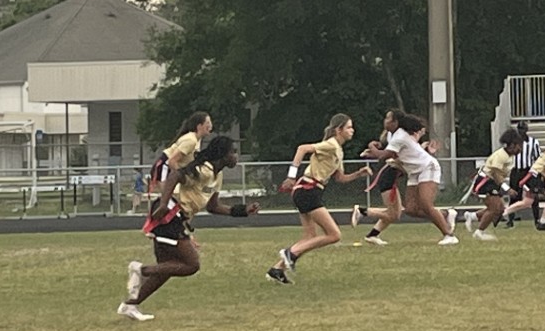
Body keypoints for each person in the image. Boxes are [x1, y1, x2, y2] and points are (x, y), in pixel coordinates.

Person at [118, 136, 255, 319]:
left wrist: (242, 211)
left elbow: (213, 206)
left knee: (166, 269)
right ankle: (141, 270)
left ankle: (130, 306)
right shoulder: (203, 169)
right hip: (169, 214)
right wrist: (164, 204)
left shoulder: (217, 175)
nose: (236, 156)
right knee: (191, 265)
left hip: (178, 217)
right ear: (223, 154)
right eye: (233, 152)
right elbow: (175, 175)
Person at [269, 114, 372, 283]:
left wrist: (359, 174)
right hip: (307, 190)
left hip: (309, 191)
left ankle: (277, 269)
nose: (352, 130)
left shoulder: (338, 150)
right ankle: (289, 254)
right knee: (334, 235)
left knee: (310, 237)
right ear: (339, 130)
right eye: (349, 127)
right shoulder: (331, 144)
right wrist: (291, 176)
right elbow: (302, 148)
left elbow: (340, 178)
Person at [359, 111, 458, 246]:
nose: (385, 120)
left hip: (427, 167)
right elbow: (391, 155)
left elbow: (383, 156)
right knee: (411, 209)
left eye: (388, 118)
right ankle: (445, 215)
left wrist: (371, 146)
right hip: (414, 172)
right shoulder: (392, 135)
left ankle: (449, 235)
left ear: (396, 122)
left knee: (425, 203)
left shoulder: (399, 137)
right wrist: (373, 153)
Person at [460, 128, 524, 241]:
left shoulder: (509, 156)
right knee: (494, 208)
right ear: (512, 145)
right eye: (519, 145)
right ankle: (479, 232)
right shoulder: (501, 155)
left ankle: (472, 216)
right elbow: (495, 173)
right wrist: (507, 189)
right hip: (486, 181)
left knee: (499, 209)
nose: (521, 148)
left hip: (493, 182)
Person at [504, 135, 545, 231]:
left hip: (535, 176)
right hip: (537, 177)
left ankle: (504, 211)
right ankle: (542, 222)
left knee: (527, 202)